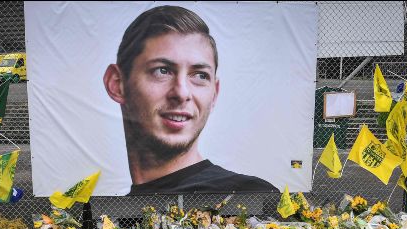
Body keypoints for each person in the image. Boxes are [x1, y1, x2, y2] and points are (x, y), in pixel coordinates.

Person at [103, 5, 277, 195]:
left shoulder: (250, 197)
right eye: (162, 70)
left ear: (214, 95)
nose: (182, 93)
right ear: (117, 84)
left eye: (200, 75)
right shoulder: (113, 215)